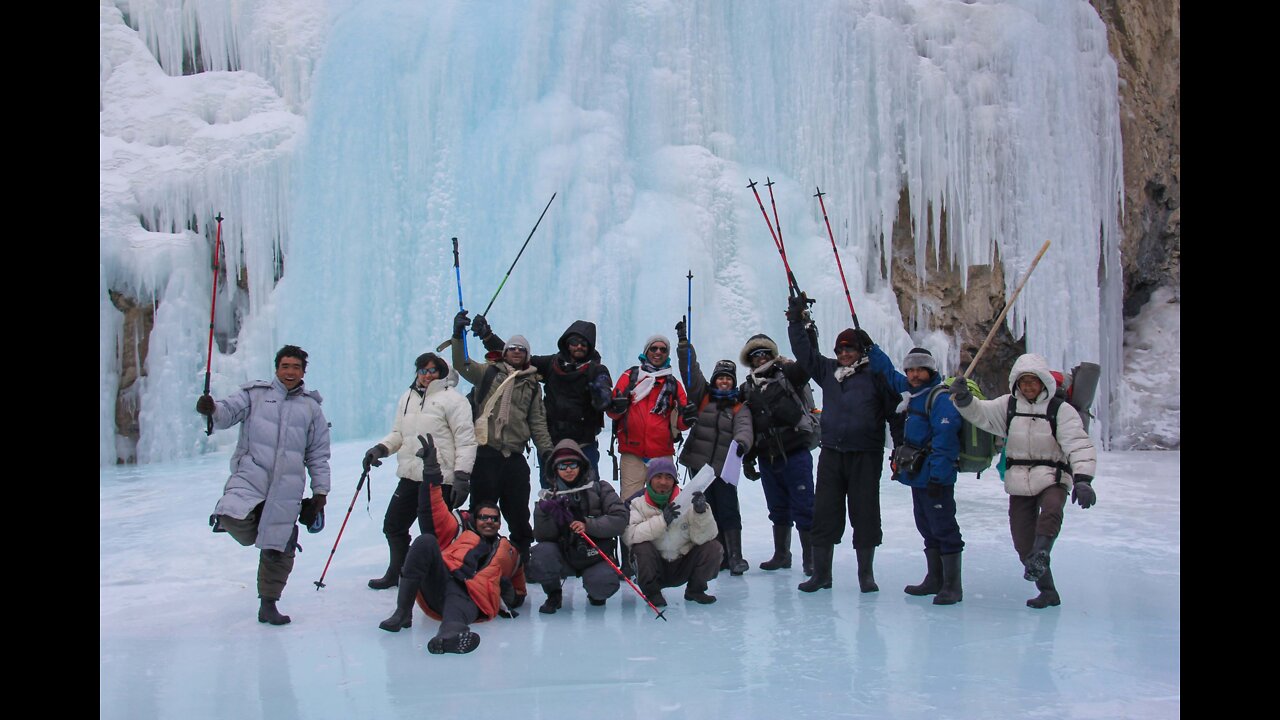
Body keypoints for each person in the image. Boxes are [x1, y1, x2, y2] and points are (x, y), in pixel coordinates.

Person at [949, 353, 1097, 609]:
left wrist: (1083, 480)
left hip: (1053, 476)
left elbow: (1078, 444)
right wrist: (963, 399)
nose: (1028, 386)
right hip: (1019, 479)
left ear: (1044, 383)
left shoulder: (1060, 410)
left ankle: (1042, 551)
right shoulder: (1008, 406)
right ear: (1016, 383)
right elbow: (981, 414)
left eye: (1034, 381)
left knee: (1051, 510)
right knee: (1022, 541)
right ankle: (1048, 591)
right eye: (1024, 381)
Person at [197, 345, 330, 625]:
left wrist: (320, 493)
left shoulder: (311, 408)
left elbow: (317, 454)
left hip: (287, 486)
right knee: (232, 511)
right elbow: (227, 413)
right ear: (276, 368)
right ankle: (234, 524)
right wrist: (212, 409)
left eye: (295, 367)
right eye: (285, 366)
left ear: (304, 371)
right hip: (251, 476)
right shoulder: (254, 395)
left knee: (279, 546)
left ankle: (268, 604)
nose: (290, 372)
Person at [786, 295, 898, 593]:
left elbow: (895, 408)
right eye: (840, 349)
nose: (844, 353)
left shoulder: (876, 375)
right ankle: (822, 575)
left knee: (865, 513)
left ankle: (866, 576)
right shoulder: (828, 372)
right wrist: (795, 321)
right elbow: (804, 352)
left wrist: (900, 447)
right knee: (824, 513)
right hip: (832, 454)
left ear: (860, 351)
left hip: (866, 454)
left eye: (850, 348)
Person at [377, 434, 527, 654]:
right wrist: (431, 469)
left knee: (457, 610)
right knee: (425, 541)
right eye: (484, 517)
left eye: (494, 518)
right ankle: (402, 612)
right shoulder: (457, 533)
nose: (489, 521)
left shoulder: (509, 551)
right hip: (442, 580)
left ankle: (449, 636)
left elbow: (519, 589)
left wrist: (509, 594)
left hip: (472, 595)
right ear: (475, 520)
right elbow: (432, 509)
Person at [362, 352, 477, 590]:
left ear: (442, 373)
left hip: (440, 479)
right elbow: (399, 433)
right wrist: (380, 449)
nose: (426, 375)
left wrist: (462, 477)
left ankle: (438, 578)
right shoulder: (407, 397)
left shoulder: (454, 400)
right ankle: (399, 572)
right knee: (393, 525)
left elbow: (465, 441)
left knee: (434, 534)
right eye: (422, 370)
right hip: (410, 474)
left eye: (432, 370)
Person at [452, 311, 554, 564]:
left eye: (522, 349)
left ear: (527, 355)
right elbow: (461, 364)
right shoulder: (487, 373)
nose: (517, 352)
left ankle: (521, 561)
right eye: (512, 348)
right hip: (486, 452)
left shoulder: (531, 384)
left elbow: (537, 421)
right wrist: (457, 335)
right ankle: (477, 557)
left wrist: (548, 452)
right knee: (481, 509)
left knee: (518, 512)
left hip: (514, 455)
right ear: (505, 352)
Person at [867, 345, 965, 604]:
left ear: (930, 370)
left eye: (919, 369)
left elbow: (946, 440)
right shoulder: (913, 391)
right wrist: (871, 348)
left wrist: (938, 477)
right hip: (918, 476)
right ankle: (935, 579)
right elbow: (888, 373)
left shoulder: (940, 398)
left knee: (944, 527)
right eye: (910, 369)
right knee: (926, 525)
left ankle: (953, 586)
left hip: (935, 477)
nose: (913, 374)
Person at [470, 316, 614, 473]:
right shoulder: (552, 364)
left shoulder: (597, 370)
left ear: (590, 346)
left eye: (584, 344)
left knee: (589, 492)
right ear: (567, 343)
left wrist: (604, 397)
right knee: (549, 494)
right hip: (551, 446)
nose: (579, 346)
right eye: (574, 342)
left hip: (584, 445)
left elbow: (604, 392)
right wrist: (488, 336)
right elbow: (517, 357)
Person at [673, 318, 754, 575]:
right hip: (701, 467)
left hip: (724, 468)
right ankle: (717, 555)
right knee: (705, 509)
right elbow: (691, 372)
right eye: (720, 378)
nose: (724, 382)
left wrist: (742, 444)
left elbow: (745, 427)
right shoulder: (703, 396)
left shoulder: (739, 406)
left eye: (728, 379)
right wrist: (684, 345)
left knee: (729, 509)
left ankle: (736, 556)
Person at [737, 332, 817, 575]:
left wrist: (807, 333)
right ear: (749, 360)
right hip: (767, 455)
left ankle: (810, 559)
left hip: (795, 450)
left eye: (764, 353)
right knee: (778, 507)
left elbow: (809, 362)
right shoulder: (747, 388)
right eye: (754, 355)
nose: (760, 358)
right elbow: (746, 425)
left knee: (804, 506)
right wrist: (748, 459)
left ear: (772, 354)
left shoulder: (789, 375)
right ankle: (782, 554)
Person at [527, 440, 628, 613]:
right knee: (541, 555)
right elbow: (542, 537)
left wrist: (588, 525)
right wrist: (545, 514)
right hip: (563, 553)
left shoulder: (600, 488)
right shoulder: (548, 497)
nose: (568, 470)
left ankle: (596, 594)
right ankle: (553, 593)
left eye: (572, 464)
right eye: (562, 466)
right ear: (554, 469)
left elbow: (620, 519)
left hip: (594, 552)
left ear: (581, 465)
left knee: (603, 583)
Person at [621, 458, 723, 606]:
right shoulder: (636, 503)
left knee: (713, 548)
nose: (663, 482)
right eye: (658, 476)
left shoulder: (688, 499)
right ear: (649, 479)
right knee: (641, 549)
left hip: (683, 562)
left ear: (674, 481)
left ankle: (695, 590)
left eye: (668, 477)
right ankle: (652, 593)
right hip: (655, 565)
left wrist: (701, 513)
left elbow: (706, 537)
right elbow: (629, 535)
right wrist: (662, 521)